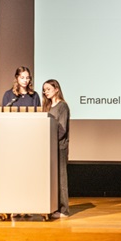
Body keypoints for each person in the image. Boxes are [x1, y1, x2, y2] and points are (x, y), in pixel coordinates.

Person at [42, 79, 70, 219]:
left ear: (56, 89)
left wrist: (50, 141)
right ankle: (53, 207)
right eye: (44, 89)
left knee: (61, 177)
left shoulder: (62, 106)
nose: (45, 92)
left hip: (59, 147)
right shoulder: (48, 107)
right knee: (52, 179)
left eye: (48, 89)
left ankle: (64, 210)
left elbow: (62, 129)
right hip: (49, 148)